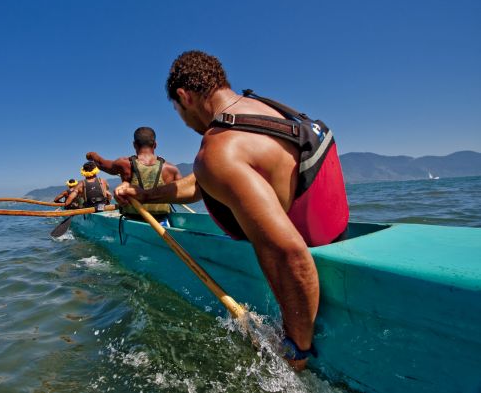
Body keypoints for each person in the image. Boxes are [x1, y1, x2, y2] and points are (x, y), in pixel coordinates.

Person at [115, 50, 349, 370]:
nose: (184, 122)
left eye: (178, 111)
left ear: (184, 97)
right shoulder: (266, 110)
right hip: (337, 241)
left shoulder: (219, 149)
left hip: (307, 285)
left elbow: (290, 257)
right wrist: (146, 193)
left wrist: (296, 350)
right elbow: (199, 185)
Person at [86, 127, 182, 221]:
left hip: (132, 218)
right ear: (155, 145)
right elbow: (181, 194)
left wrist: (92, 155)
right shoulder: (171, 169)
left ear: (134, 145)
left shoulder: (124, 163)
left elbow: (101, 164)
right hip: (162, 219)